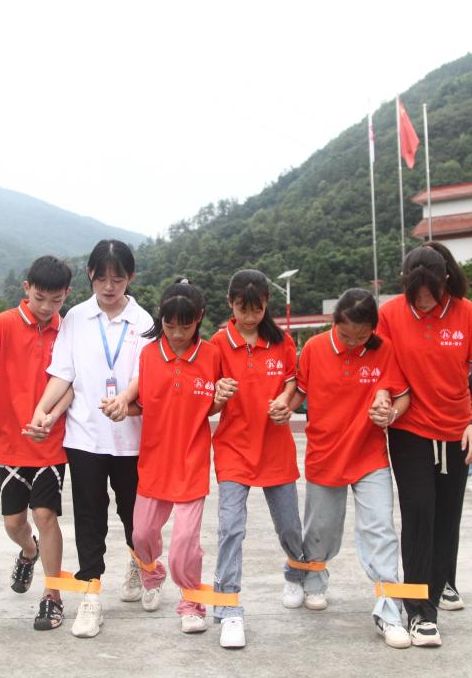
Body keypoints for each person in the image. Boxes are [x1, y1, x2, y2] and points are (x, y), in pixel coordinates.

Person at [31, 240, 152, 639]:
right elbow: (63, 372)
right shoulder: (76, 318)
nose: (109, 286)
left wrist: (125, 400)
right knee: (88, 517)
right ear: (90, 276)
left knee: (135, 517)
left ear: (130, 277)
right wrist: (42, 410)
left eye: (118, 278)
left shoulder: (143, 322)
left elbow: (146, 375)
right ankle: (91, 593)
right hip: (84, 436)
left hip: (131, 438)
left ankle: (140, 562)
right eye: (102, 278)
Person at [378, 242, 472, 648]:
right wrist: (382, 397)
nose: (424, 302)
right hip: (410, 428)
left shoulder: (468, 312)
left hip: (457, 430)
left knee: (447, 517)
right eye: (417, 295)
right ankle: (420, 612)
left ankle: (441, 583)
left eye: (431, 294)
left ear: (445, 280)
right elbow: (382, 367)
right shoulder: (390, 314)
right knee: (419, 512)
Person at [287, 288, 413, 649]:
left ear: (374, 328)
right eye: (346, 335)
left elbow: (401, 395)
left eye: (362, 336)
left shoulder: (384, 349)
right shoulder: (314, 349)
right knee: (321, 529)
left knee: (380, 529)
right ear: (334, 323)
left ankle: (390, 611)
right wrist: (284, 405)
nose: (355, 342)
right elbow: (300, 390)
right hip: (326, 454)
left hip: (370, 456)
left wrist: (390, 413)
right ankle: (313, 580)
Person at [111, 280, 229, 635]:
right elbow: (142, 404)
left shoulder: (212, 355)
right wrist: (120, 407)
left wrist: (220, 398)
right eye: (170, 325)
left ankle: (191, 603)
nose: (177, 334)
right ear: (160, 319)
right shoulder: (148, 355)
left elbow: (212, 405)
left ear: (200, 318)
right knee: (142, 535)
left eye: (186, 326)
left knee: (184, 547)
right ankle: (152, 574)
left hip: (191, 462)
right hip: (154, 462)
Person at [0, 255, 76, 631]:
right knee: (15, 522)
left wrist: (52, 416)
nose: (47, 307)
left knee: (45, 515)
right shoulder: (3, 323)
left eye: (56, 300)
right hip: (10, 441)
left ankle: (53, 595)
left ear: (67, 294)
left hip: (50, 441)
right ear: (26, 288)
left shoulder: (69, 330)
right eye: (40, 298)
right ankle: (29, 551)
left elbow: (73, 382)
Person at [209, 269, 309, 650]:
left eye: (257, 309)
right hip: (234, 448)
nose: (250, 317)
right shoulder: (218, 344)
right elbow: (208, 401)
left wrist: (285, 402)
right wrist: (218, 394)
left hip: (274, 448)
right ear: (230, 304)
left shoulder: (282, 342)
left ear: (267, 304)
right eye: (242, 309)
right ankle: (228, 606)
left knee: (290, 527)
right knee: (231, 527)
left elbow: (293, 383)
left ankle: (297, 572)